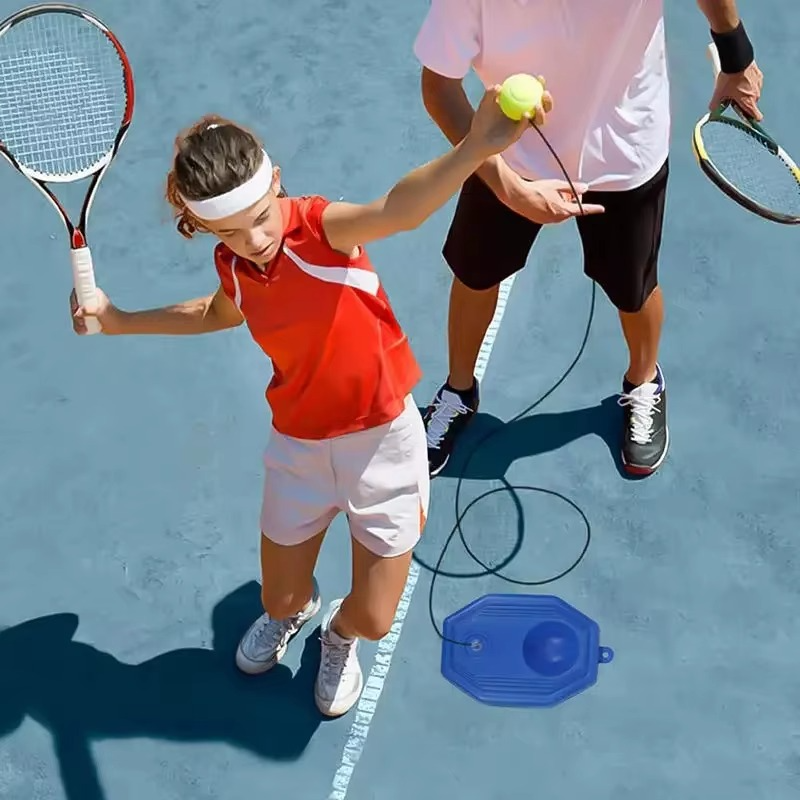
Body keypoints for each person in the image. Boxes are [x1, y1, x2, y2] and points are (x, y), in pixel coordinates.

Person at [69, 87, 534, 717]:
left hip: (384, 445)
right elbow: (216, 312)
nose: (255, 239)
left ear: (277, 183)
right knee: (280, 600)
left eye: (262, 217)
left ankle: (338, 635)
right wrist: (120, 320)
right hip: (300, 450)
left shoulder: (321, 228)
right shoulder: (233, 264)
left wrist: (475, 147)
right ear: (202, 226)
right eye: (229, 231)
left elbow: (399, 210)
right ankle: (297, 611)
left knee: (373, 618)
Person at [413, 0, 763, 478]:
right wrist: (505, 184)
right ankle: (458, 390)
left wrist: (736, 52)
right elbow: (438, 87)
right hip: (508, 153)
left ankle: (644, 381)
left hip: (624, 151)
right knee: (474, 274)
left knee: (634, 289)